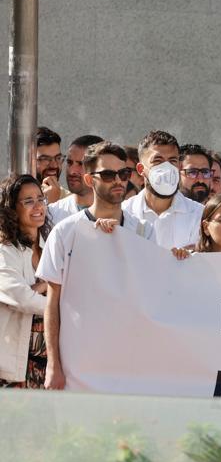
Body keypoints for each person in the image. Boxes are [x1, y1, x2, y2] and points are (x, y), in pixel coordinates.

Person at [38, 142, 150, 390]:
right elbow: (52, 303)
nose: (118, 181)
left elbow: (151, 294)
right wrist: (53, 365)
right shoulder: (65, 232)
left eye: (123, 174)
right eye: (108, 175)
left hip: (128, 362)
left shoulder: (143, 230)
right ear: (89, 179)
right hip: (78, 365)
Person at [0, 175, 50, 387]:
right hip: (15, 367)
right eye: (28, 201)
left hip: (48, 364)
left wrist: (38, 287)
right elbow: (23, 298)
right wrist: (53, 294)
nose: (38, 205)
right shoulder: (5, 251)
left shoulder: (51, 245)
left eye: (40, 198)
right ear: (12, 209)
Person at [123, 130, 203, 249]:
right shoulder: (124, 212)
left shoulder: (199, 214)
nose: (167, 168)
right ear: (140, 169)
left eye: (172, 161)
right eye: (157, 161)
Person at [48, 134, 103, 224]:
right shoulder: (53, 212)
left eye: (81, 164)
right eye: (69, 162)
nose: (72, 171)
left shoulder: (122, 214)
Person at [34, 127, 67, 204]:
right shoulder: (8, 197)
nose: (54, 165)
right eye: (45, 159)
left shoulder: (69, 199)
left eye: (58, 158)